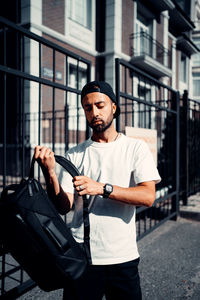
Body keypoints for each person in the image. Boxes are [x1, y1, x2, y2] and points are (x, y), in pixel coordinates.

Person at [34, 80, 161, 300]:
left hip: (123, 257)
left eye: (100, 105)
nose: (94, 112)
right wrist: (50, 173)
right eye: (87, 107)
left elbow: (148, 196)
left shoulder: (134, 147)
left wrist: (102, 188)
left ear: (113, 107)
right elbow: (64, 206)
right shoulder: (75, 153)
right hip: (83, 257)